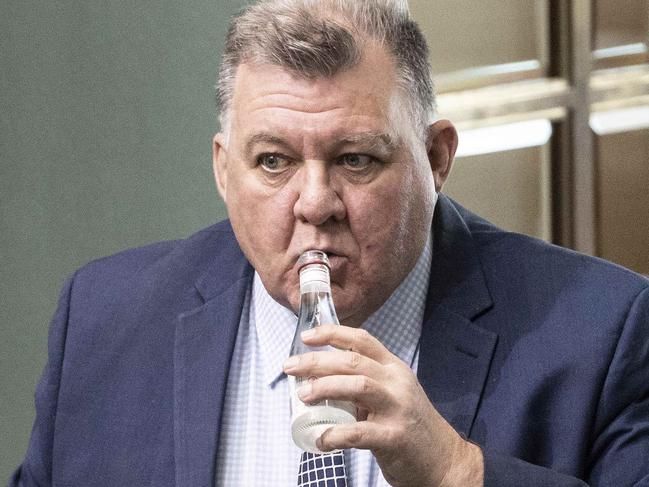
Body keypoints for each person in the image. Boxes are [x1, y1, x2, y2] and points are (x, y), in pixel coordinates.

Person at [10, 0, 649, 486]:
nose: (314, 202)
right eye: (272, 162)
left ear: (436, 158)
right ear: (222, 170)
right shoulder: (103, 320)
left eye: (355, 160)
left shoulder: (601, 331)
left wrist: (457, 471)